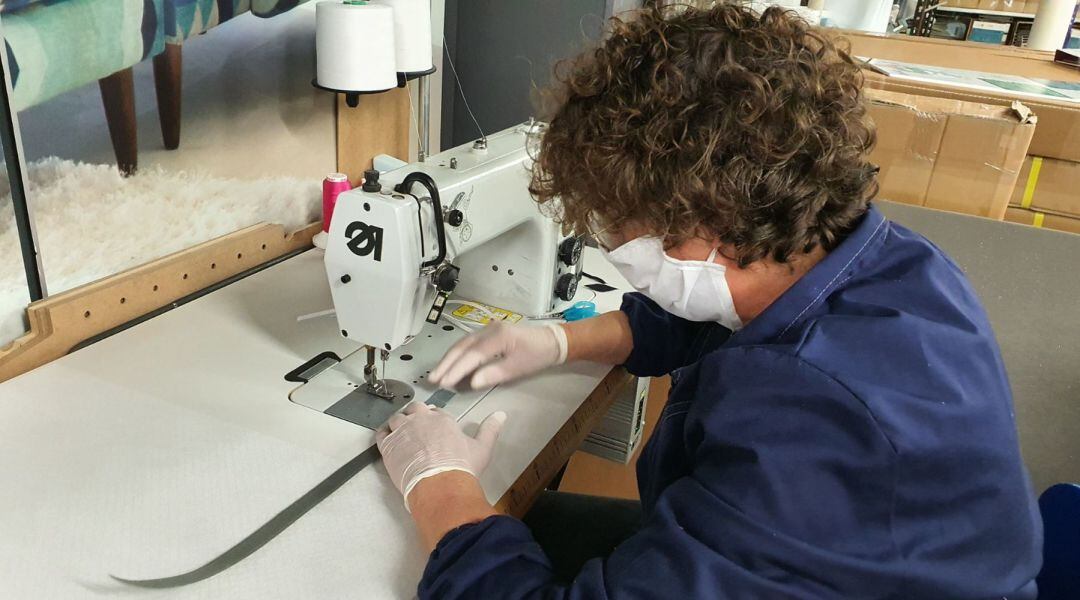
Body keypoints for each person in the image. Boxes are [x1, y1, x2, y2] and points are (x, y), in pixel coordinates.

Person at [375, 4, 1043, 598]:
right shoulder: (889, 264)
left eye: (616, 226)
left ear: (703, 227)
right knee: (520, 524)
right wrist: (559, 340)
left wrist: (440, 485)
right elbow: (716, 323)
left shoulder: (810, 423)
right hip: (845, 556)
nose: (611, 243)